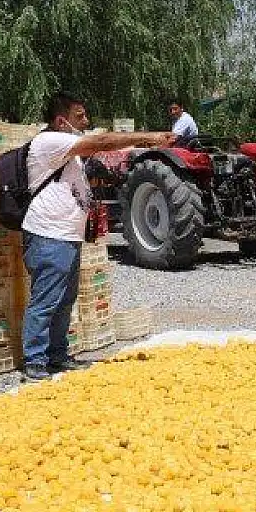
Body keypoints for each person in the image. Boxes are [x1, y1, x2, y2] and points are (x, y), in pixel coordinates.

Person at [21, 93, 172, 380]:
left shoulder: (69, 151)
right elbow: (102, 143)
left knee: (65, 298)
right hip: (48, 235)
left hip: (66, 235)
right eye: (79, 116)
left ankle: (57, 355)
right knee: (46, 298)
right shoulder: (49, 141)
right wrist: (148, 137)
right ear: (60, 121)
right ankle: (35, 360)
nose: (86, 121)